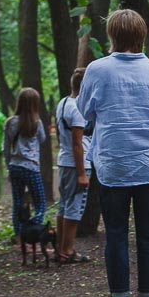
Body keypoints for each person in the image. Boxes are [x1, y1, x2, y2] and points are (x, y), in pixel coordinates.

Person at [78, 9, 149, 297]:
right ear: (141, 35)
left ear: (111, 35)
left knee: (116, 235)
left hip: (112, 166)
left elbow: (85, 111)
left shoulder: (96, 70)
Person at [54, 69, 92, 264]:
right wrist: (82, 173)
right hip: (76, 164)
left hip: (63, 161)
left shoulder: (63, 103)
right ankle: (67, 250)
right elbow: (77, 143)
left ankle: (60, 248)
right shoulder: (77, 108)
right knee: (74, 207)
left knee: (64, 205)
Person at [3, 88, 47, 237]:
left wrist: (8, 166)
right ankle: (34, 233)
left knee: (18, 202)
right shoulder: (37, 123)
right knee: (40, 203)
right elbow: (42, 139)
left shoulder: (10, 122)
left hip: (15, 167)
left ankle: (19, 237)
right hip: (31, 168)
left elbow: (6, 148)